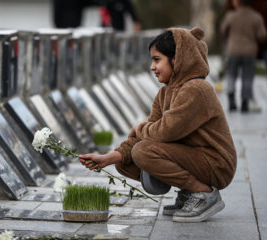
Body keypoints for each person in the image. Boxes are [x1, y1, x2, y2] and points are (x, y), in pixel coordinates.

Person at [79, 27, 237, 223]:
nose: (152, 67)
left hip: (216, 164)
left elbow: (164, 131)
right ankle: (189, 191)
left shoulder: (197, 89)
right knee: (126, 160)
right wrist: (108, 158)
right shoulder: (165, 93)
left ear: (177, 59)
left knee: (142, 151)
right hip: (195, 157)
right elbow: (148, 134)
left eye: (157, 59)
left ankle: (203, 193)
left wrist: (139, 128)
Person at [221, 0, 266, 112]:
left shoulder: (231, 16)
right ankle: (245, 102)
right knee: (247, 77)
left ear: (239, 3)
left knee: (231, 74)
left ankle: (231, 99)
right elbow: (262, 35)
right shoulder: (256, 17)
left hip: (233, 50)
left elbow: (223, 30)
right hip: (250, 52)